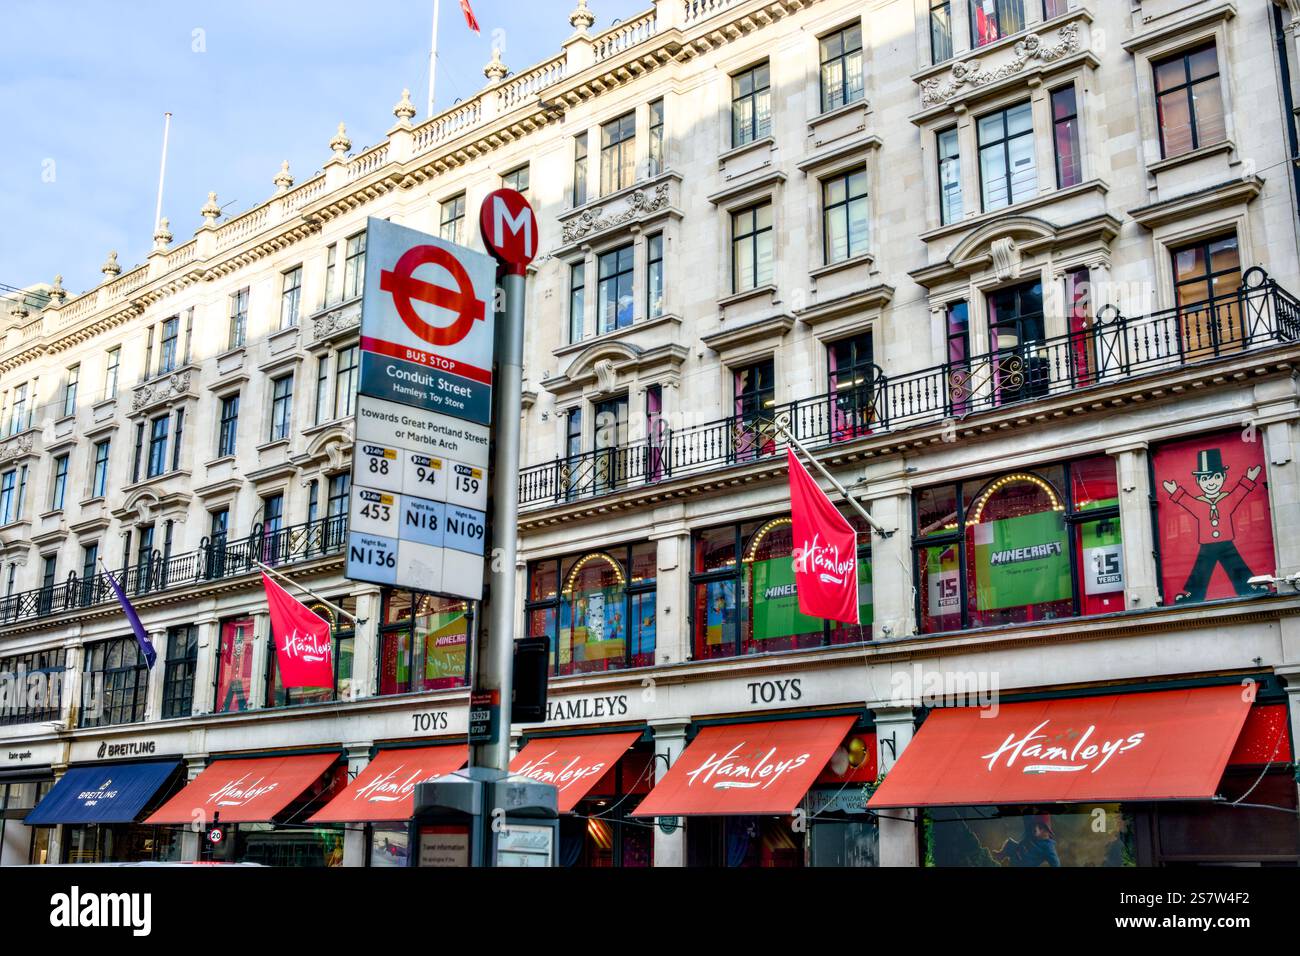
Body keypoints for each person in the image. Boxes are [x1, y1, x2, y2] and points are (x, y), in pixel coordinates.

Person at [1161, 449, 1264, 602]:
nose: (1211, 482)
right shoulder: (1198, 503)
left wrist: (1248, 479)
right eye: (1205, 478)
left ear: (1223, 477)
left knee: (1235, 564)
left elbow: (1240, 493)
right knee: (1201, 570)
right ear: (1198, 481)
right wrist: (1175, 491)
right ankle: (1192, 595)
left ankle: (1250, 587)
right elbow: (1186, 502)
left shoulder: (1226, 499)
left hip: (1226, 542)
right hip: (1207, 545)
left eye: (1216, 477)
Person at [994, 814, 1061, 867]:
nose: (1035, 829)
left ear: (1047, 830)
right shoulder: (1032, 833)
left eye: (1040, 827)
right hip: (1016, 852)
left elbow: (1055, 863)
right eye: (1034, 826)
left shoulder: (1048, 847)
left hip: (1023, 864)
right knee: (1010, 843)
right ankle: (1000, 855)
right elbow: (1028, 819)